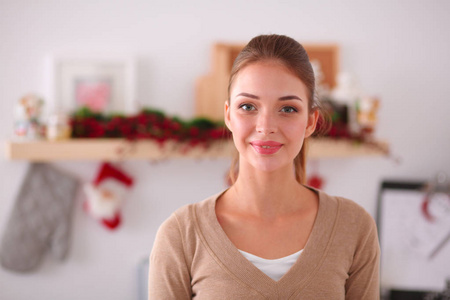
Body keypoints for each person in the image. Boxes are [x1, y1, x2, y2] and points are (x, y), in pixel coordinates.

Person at [148, 34, 380, 299]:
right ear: (228, 115)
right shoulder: (180, 234)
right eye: (248, 106)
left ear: (310, 122)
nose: (266, 126)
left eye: (288, 109)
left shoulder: (353, 227)